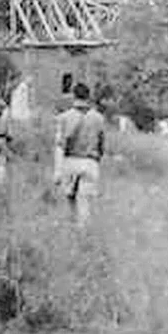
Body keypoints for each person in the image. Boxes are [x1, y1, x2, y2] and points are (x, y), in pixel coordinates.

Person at [52, 81, 106, 228]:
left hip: (71, 161)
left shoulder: (63, 118)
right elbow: (102, 145)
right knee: (85, 202)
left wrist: (57, 171)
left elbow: (59, 146)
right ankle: (83, 232)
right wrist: (97, 159)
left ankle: (71, 230)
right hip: (90, 163)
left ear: (74, 96)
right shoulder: (99, 118)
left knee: (70, 199)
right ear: (89, 97)